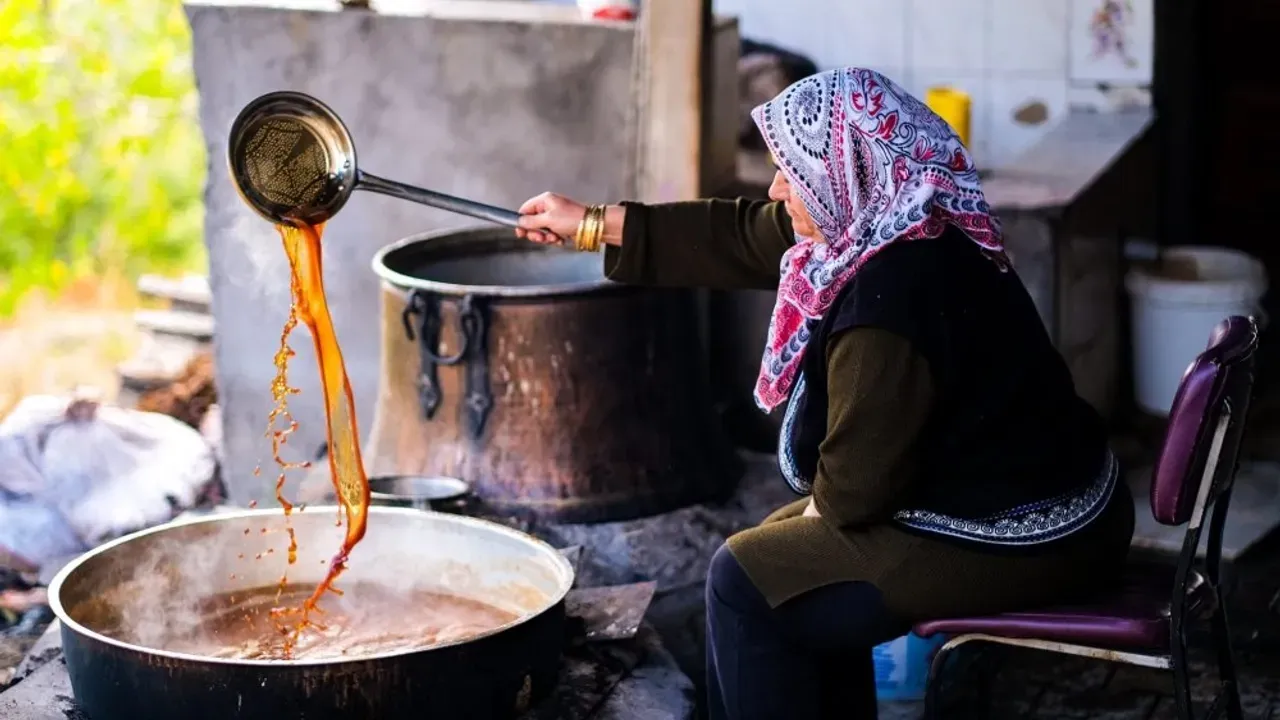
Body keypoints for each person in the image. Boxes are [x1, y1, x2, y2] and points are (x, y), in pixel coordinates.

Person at [514, 67, 1135, 720]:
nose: (778, 188)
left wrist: (808, 525)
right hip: (1038, 486)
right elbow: (744, 233)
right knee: (777, 563)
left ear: (846, 174)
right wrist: (590, 223)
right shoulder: (907, 211)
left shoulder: (886, 308)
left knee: (746, 582)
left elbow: (854, 494)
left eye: (791, 171)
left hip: (1034, 533)